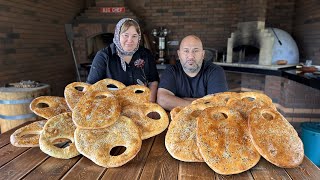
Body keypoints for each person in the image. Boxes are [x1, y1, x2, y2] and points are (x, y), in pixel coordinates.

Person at [86, 18, 159, 102]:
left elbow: (153, 82)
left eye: (134, 36)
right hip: (111, 106)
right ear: (118, 35)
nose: (130, 40)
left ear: (139, 37)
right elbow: (91, 86)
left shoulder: (146, 54)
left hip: (141, 105)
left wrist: (150, 104)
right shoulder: (104, 56)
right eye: (126, 35)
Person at [157, 35, 228, 110]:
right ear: (179, 54)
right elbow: (162, 100)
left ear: (203, 54)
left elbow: (218, 104)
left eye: (195, 50)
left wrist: (177, 99)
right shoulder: (171, 71)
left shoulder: (215, 71)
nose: (190, 56)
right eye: (186, 51)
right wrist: (203, 103)